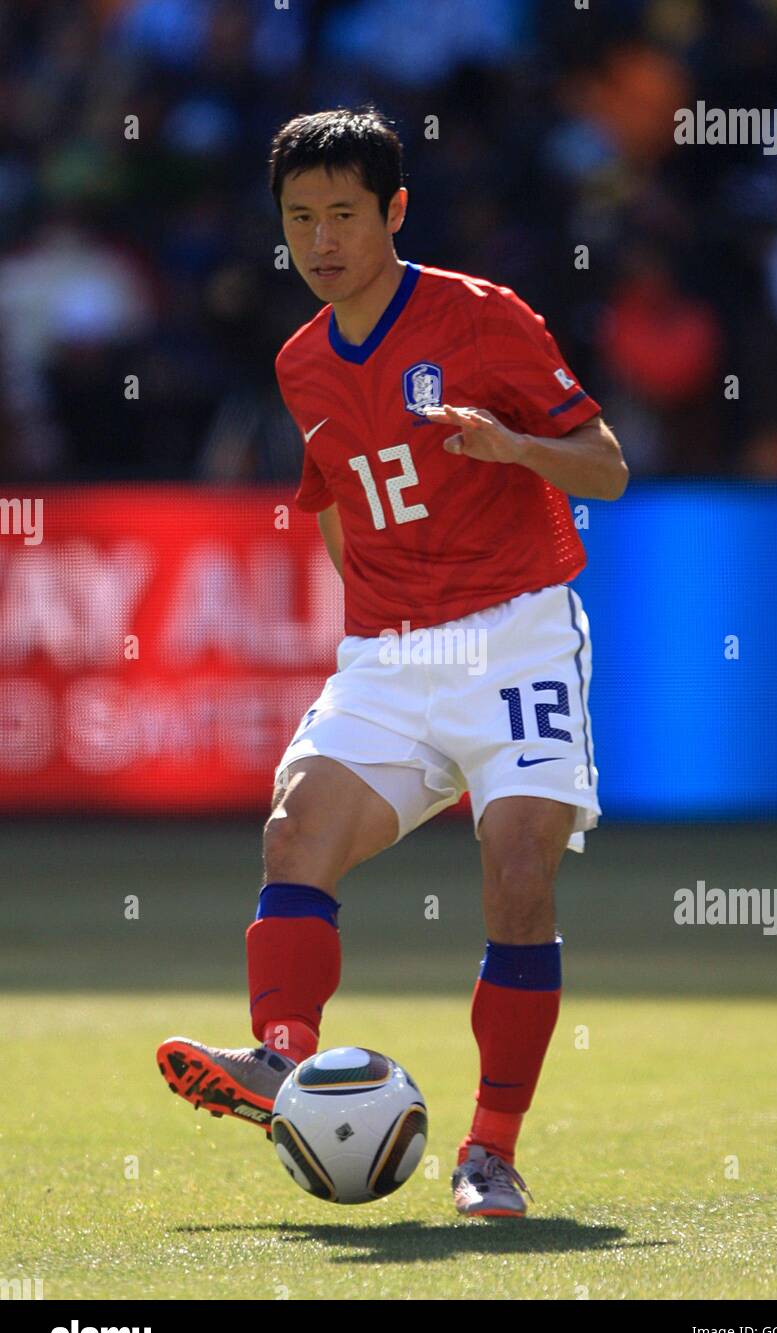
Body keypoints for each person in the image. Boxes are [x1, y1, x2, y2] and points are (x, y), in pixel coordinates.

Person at [156, 106, 628, 1218]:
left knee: (519, 872)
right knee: (294, 830)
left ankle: (489, 1152)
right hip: (389, 654)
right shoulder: (300, 363)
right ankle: (282, 1056)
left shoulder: (483, 317)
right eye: (299, 218)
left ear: (395, 211)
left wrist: (516, 448)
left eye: (343, 214)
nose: (321, 241)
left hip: (513, 634)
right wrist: (375, 632)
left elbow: (605, 466)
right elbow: (333, 505)